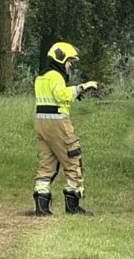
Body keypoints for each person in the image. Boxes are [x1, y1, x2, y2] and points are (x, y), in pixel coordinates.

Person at [32, 42, 99, 217]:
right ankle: (73, 207)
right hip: (58, 124)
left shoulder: (41, 78)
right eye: (69, 61)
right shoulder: (55, 76)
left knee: (46, 165)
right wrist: (81, 87)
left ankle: (42, 207)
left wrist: (73, 94)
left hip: (41, 123)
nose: (69, 65)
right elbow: (60, 95)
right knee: (73, 161)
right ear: (61, 59)